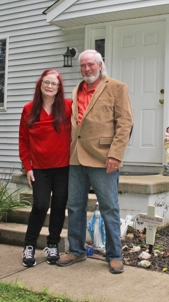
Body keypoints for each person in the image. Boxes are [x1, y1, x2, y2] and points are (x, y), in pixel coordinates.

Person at [56, 49, 133, 274]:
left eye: (90, 64)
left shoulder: (117, 88)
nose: (86, 69)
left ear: (100, 65)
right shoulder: (76, 89)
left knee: (109, 207)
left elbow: (125, 123)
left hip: (103, 157)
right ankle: (77, 250)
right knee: (76, 206)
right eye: (83, 65)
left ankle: (114, 255)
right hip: (76, 156)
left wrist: (116, 154)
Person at [19, 69, 72, 267]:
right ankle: (29, 246)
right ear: (40, 85)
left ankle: (52, 245)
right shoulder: (29, 109)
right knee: (40, 205)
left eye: (54, 83)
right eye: (46, 82)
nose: (50, 86)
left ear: (59, 88)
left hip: (63, 167)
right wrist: (28, 167)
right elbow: (23, 140)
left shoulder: (68, 107)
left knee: (59, 206)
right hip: (39, 168)